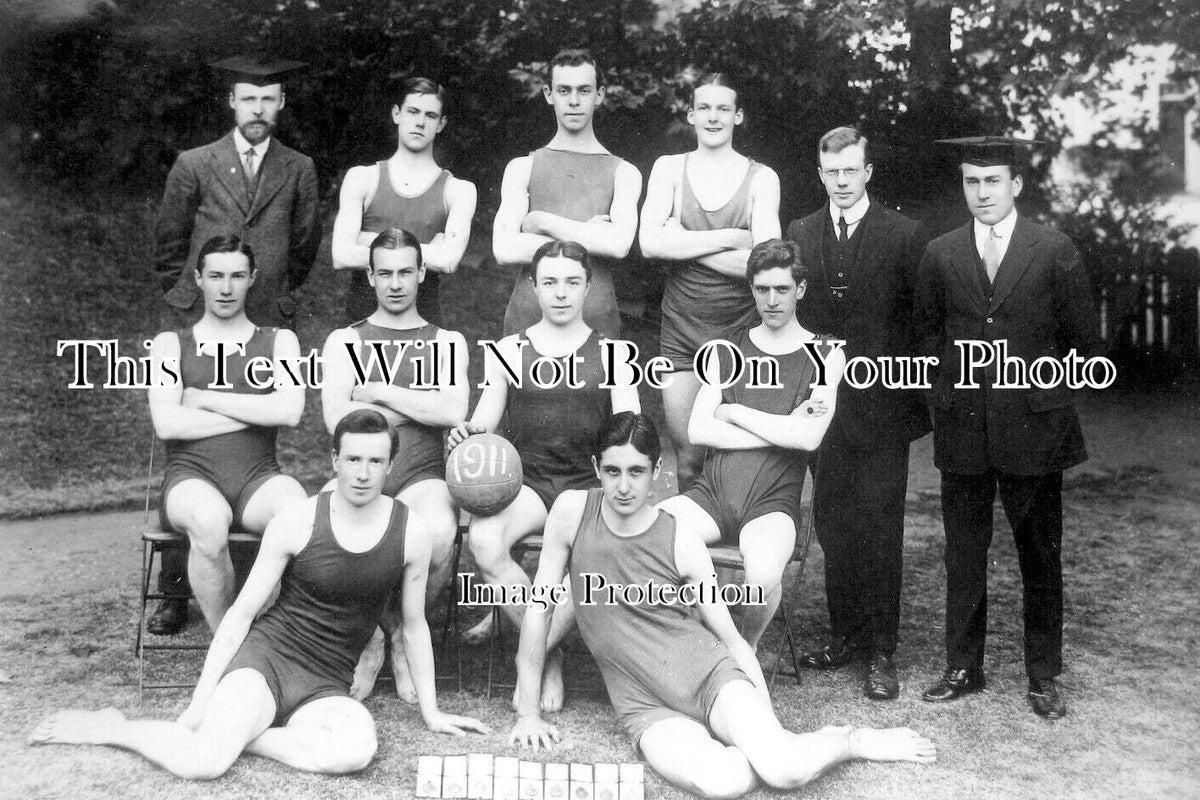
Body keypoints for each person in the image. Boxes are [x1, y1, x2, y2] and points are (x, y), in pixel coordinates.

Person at [30, 409, 489, 778]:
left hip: (328, 682)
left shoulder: (411, 533)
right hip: (266, 662)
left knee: (354, 752)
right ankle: (116, 728)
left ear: (391, 466)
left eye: (375, 462)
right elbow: (241, 615)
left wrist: (432, 712)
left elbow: (413, 627)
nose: (363, 474)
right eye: (352, 460)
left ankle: (245, 736)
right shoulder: (299, 520)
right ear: (334, 461)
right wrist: (199, 704)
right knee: (203, 763)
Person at [506, 411, 936, 799]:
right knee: (720, 782)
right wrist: (526, 713)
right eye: (613, 470)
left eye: (636, 472)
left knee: (784, 770)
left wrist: (767, 723)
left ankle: (848, 740)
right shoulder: (572, 512)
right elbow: (539, 610)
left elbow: (731, 640)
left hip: (710, 678)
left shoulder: (679, 537)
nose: (623, 486)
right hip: (643, 704)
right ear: (596, 467)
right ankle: (761, 745)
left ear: (657, 471)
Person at [915, 136, 1101, 719]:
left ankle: (1044, 675)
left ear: (1016, 185)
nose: (982, 192)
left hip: (1035, 430)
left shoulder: (1053, 248)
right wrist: (947, 388)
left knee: (1039, 555)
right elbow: (925, 335)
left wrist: (1041, 392)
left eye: (993, 181)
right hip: (964, 426)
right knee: (964, 553)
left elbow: (1082, 341)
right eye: (972, 181)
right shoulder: (942, 253)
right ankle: (963, 666)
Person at [150, 55, 321, 635]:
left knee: (260, 455)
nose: (259, 110)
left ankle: (254, 583)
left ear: (280, 106)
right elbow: (170, 244)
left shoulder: (297, 167)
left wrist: (274, 299)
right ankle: (176, 588)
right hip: (203, 317)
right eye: (249, 99)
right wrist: (189, 303)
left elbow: (302, 246)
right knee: (190, 477)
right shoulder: (195, 163)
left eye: (269, 100)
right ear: (232, 102)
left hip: (264, 314)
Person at [448, 240, 640, 709]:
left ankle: (534, 655)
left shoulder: (614, 353)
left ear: (588, 287)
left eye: (572, 282)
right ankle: (549, 657)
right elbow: (485, 421)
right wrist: (466, 437)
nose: (560, 293)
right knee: (486, 542)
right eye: (549, 282)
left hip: (587, 486)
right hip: (528, 483)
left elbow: (632, 429)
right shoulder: (509, 350)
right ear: (532, 286)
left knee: (594, 552)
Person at [784, 126, 930, 700]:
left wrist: (911, 402)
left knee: (881, 526)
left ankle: (882, 652)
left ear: (868, 172)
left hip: (882, 407)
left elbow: (922, 326)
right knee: (834, 523)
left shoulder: (904, 235)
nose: (841, 182)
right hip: (823, 408)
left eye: (851, 171)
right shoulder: (801, 231)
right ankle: (846, 636)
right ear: (819, 174)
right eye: (831, 172)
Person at [658, 239, 843, 651]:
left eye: (781, 289)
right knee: (644, 532)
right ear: (752, 290)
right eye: (762, 290)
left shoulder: (826, 353)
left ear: (801, 289)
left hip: (771, 504)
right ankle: (687, 639)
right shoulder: (727, 348)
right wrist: (782, 430)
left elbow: (809, 438)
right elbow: (699, 431)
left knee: (759, 577)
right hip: (712, 496)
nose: (772, 300)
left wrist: (735, 412)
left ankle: (746, 647)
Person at [322, 228, 469, 702]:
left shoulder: (447, 340)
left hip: (423, 472)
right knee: (328, 525)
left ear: (422, 273)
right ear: (369, 276)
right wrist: (421, 403)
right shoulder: (346, 339)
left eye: (406, 271)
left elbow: (452, 411)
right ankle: (368, 639)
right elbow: (338, 419)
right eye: (384, 273)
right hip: (362, 471)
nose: (396, 283)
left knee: (441, 531)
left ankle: (407, 633)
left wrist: (379, 392)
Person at [146, 235, 308, 632]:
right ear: (198, 279)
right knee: (208, 519)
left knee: (297, 510)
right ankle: (228, 640)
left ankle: (275, 628)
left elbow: (289, 412)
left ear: (252, 278)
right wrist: (257, 413)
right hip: (190, 478)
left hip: (257, 478)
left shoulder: (278, 341)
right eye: (215, 275)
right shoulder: (171, 344)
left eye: (237, 276)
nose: (226, 287)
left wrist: (204, 396)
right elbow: (168, 423)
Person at [639, 73, 781, 492]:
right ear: (690, 115)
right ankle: (690, 552)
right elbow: (648, 243)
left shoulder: (762, 178)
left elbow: (765, 264)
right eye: (704, 108)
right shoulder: (669, 169)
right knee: (688, 456)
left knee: (739, 456)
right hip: (681, 332)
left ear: (738, 116)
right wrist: (730, 240)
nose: (713, 117)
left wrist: (680, 241)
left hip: (740, 334)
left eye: (723, 109)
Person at [492, 48, 642, 339]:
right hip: (528, 318)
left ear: (599, 94)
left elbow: (618, 245)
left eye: (584, 90)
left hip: (596, 320)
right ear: (549, 94)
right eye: (564, 90)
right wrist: (588, 234)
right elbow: (504, 249)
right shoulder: (522, 167)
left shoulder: (624, 172)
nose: (574, 101)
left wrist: (542, 221)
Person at [331, 77, 477, 325]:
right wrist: (429, 249)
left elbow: (448, 261)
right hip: (362, 320)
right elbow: (341, 255)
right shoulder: (363, 178)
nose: (420, 122)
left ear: (441, 124)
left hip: (423, 322)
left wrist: (367, 239)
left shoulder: (458, 190)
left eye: (430, 116)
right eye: (413, 111)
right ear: (397, 114)